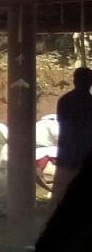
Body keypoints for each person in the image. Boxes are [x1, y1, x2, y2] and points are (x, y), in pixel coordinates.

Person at [53, 67, 92, 204]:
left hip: (66, 156)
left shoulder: (64, 100)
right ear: (90, 82)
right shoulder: (90, 103)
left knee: (59, 199)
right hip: (85, 159)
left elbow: (61, 122)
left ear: (74, 81)